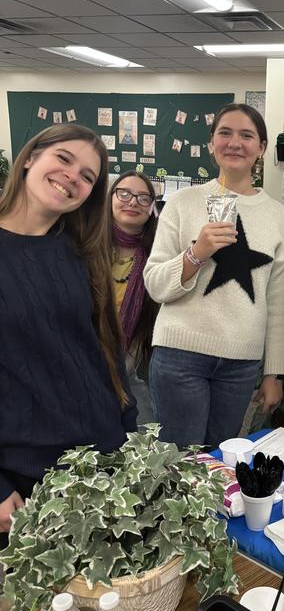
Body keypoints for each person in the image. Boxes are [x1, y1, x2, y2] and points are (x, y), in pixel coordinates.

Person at [0, 124, 137, 537]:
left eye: (87, 176)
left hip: (101, 458)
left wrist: (128, 434)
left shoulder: (79, 250)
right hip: (26, 474)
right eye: (63, 159)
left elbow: (105, 351)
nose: (72, 177)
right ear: (29, 157)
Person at [144, 104, 284, 448]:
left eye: (246, 135)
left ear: (262, 147)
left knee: (218, 462)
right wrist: (197, 254)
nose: (235, 142)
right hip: (180, 354)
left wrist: (274, 373)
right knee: (177, 464)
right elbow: (154, 283)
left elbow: (280, 302)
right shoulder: (182, 202)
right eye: (225, 133)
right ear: (211, 144)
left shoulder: (276, 215)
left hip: (241, 363)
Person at [109, 170, 160, 424]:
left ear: (152, 207)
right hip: (82, 361)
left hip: (134, 364)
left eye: (142, 197)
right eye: (124, 193)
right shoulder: (85, 247)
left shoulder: (159, 254)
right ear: (110, 198)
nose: (132, 202)